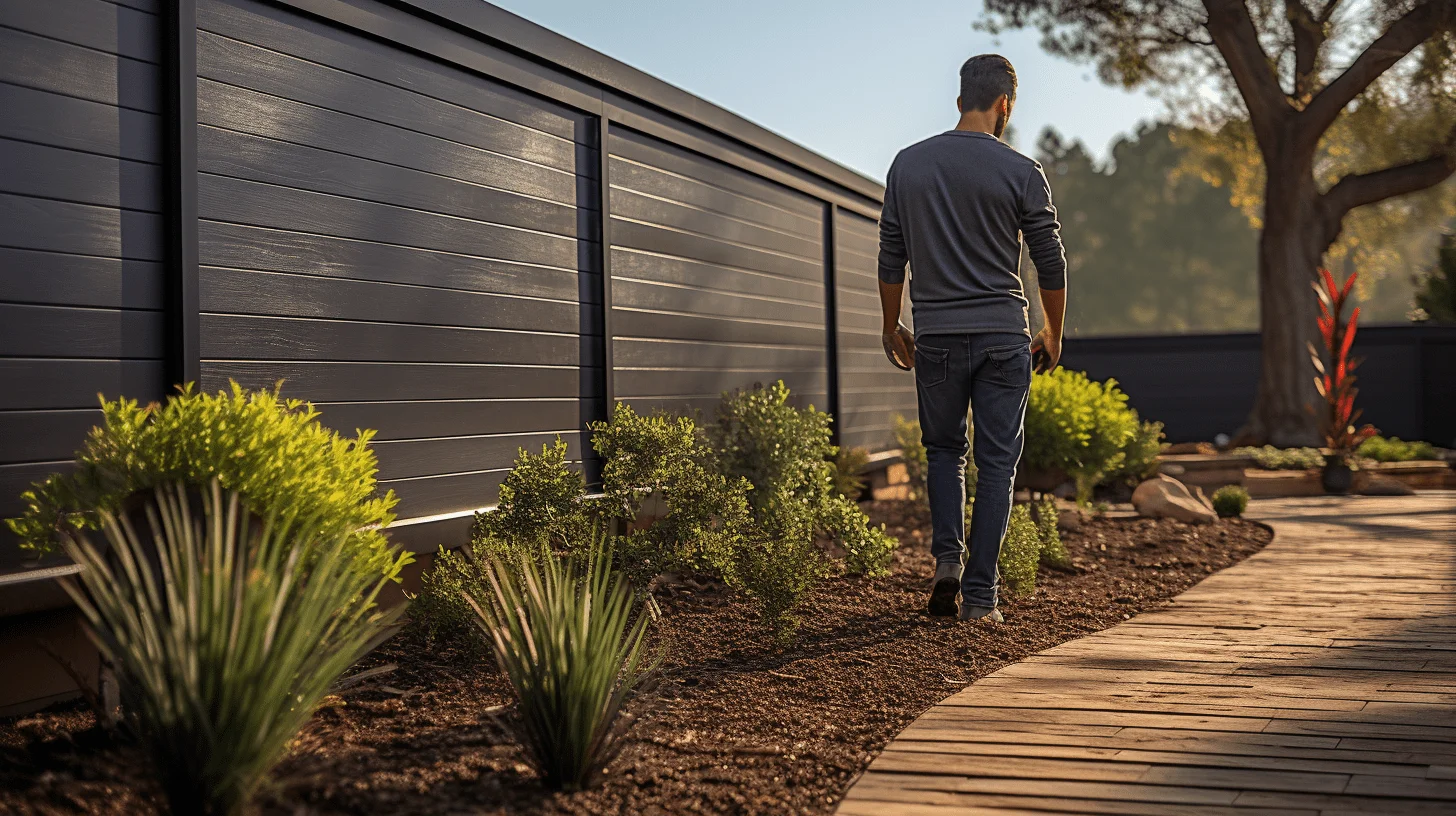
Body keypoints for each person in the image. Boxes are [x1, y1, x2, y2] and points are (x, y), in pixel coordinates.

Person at [877, 54, 1068, 623]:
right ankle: (981, 599)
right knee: (997, 465)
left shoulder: (907, 165)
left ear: (961, 98)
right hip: (1003, 339)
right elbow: (1049, 259)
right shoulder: (1021, 170)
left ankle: (947, 564)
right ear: (1004, 103)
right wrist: (1054, 329)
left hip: (935, 334)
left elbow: (892, 253)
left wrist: (892, 325)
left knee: (943, 452)